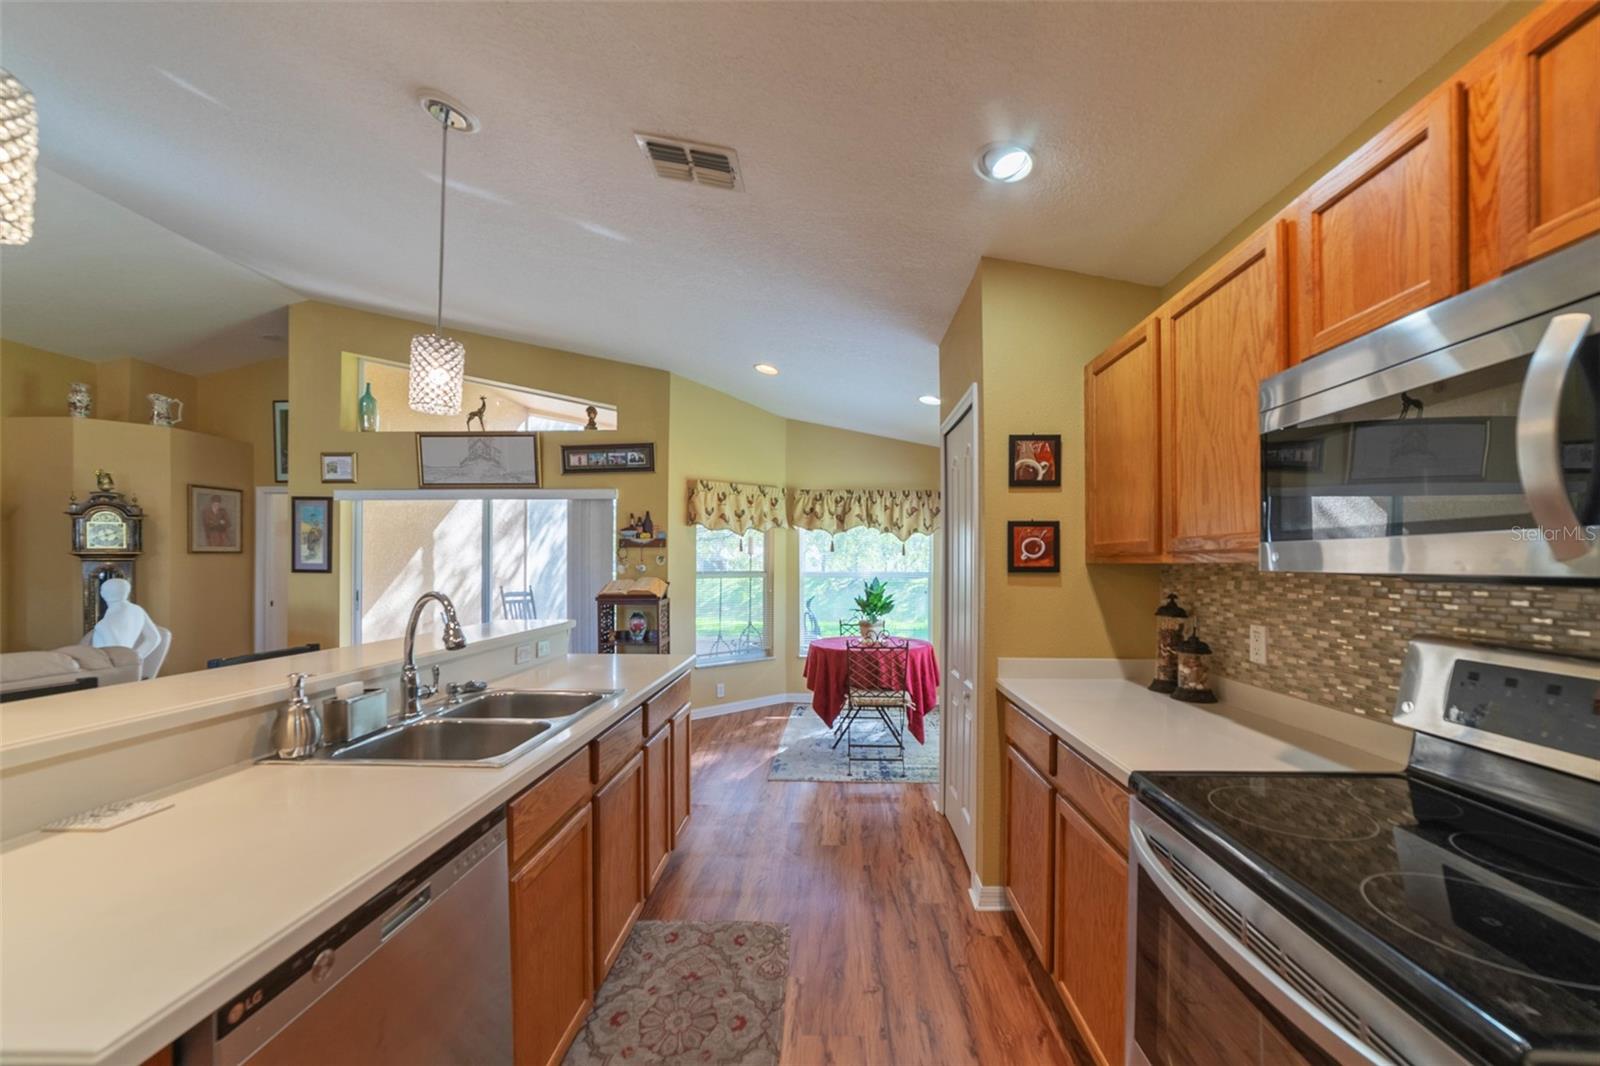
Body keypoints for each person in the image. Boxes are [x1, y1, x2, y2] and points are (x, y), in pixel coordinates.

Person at [90, 578, 162, 664]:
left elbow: (115, 653)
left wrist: (130, 661)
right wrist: (135, 658)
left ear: (103, 594)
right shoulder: (137, 610)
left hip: (106, 672)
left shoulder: (104, 625)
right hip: (125, 669)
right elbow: (154, 638)